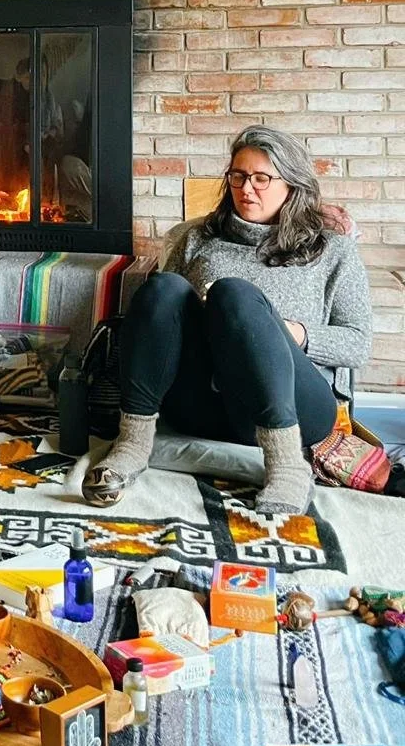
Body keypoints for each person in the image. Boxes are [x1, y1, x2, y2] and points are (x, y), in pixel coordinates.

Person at [82, 124, 372, 517]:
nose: (246, 188)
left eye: (261, 178)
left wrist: (294, 333)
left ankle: (286, 465)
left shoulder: (331, 250)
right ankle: (133, 443)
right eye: (237, 176)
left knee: (234, 293)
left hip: (296, 409)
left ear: (291, 183)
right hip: (203, 403)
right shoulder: (198, 238)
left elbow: (357, 343)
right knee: (162, 287)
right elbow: (163, 325)